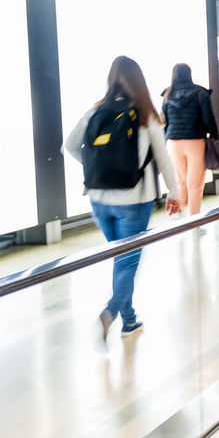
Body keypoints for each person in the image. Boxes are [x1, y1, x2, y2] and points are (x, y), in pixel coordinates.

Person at [64, 56, 182, 341]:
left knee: (120, 259)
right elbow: (164, 161)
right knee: (127, 263)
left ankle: (129, 322)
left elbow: (69, 146)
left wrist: (99, 170)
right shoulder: (146, 115)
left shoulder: (95, 111)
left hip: (99, 199)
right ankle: (110, 312)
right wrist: (174, 193)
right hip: (134, 199)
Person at [161, 63, 219, 216]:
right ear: (189, 74)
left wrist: (166, 139)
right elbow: (209, 118)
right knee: (195, 184)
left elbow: (165, 121)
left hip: (172, 143)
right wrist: (214, 136)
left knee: (180, 181)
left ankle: (178, 216)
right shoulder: (200, 93)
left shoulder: (168, 94)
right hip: (194, 141)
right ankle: (194, 222)